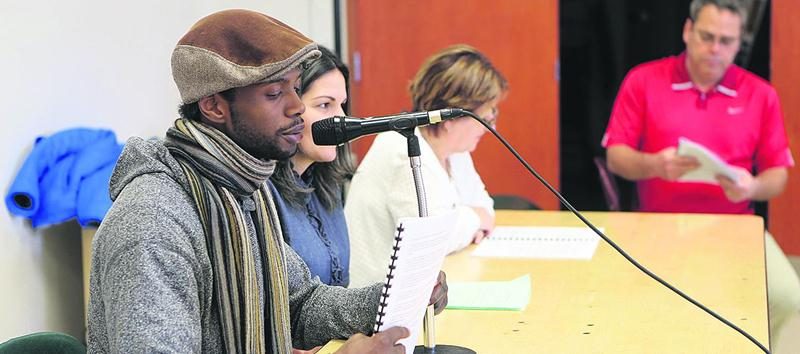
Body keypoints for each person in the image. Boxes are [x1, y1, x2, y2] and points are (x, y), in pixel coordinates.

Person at [87, 9, 447, 353]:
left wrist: (396, 294)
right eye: (275, 94)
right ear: (215, 107)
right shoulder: (154, 222)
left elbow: (301, 304)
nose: (297, 108)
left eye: (295, 88)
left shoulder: (241, 191)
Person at [601, 0, 800, 341]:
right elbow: (616, 157)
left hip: (737, 227)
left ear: (739, 44)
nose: (715, 49)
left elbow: (777, 175)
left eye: (726, 41)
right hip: (656, 225)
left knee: (790, 303)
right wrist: (654, 164)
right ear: (688, 31)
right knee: (632, 307)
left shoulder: (760, 94)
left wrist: (751, 187)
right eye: (707, 36)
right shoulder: (644, 80)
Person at [345, 45, 506, 288]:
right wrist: (473, 219)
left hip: (423, 289)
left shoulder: (455, 151)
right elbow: (436, 239)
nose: (490, 129)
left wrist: (469, 219)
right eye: (484, 119)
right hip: (377, 309)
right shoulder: (401, 150)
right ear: (450, 116)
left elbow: (485, 207)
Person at [269, 46, 354, 287]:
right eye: (325, 105)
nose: (341, 119)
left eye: (342, 106)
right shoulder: (264, 194)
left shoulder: (327, 185)